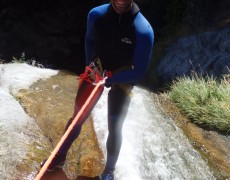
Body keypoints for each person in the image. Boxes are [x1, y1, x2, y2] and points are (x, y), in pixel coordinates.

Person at [41, 0, 154, 179]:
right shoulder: (96, 15)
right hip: (98, 66)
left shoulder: (143, 30)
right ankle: (59, 156)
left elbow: (138, 72)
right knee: (78, 116)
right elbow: (89, 39)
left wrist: (112, 79)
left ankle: (109, 171)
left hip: (123, 73)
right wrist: (90, 65)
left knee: (115, 124)